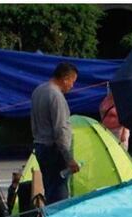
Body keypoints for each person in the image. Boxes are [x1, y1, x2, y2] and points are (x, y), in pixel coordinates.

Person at [31, 62, 81, 204]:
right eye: (72, 81)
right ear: (65, 78)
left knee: (50, 188)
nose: (72, 86)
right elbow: (60, 129)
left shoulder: (39, 90)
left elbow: (34, 121)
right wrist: (69, 158)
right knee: (59, 193)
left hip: (40, 145)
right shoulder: (56, 96)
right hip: (54, 150)